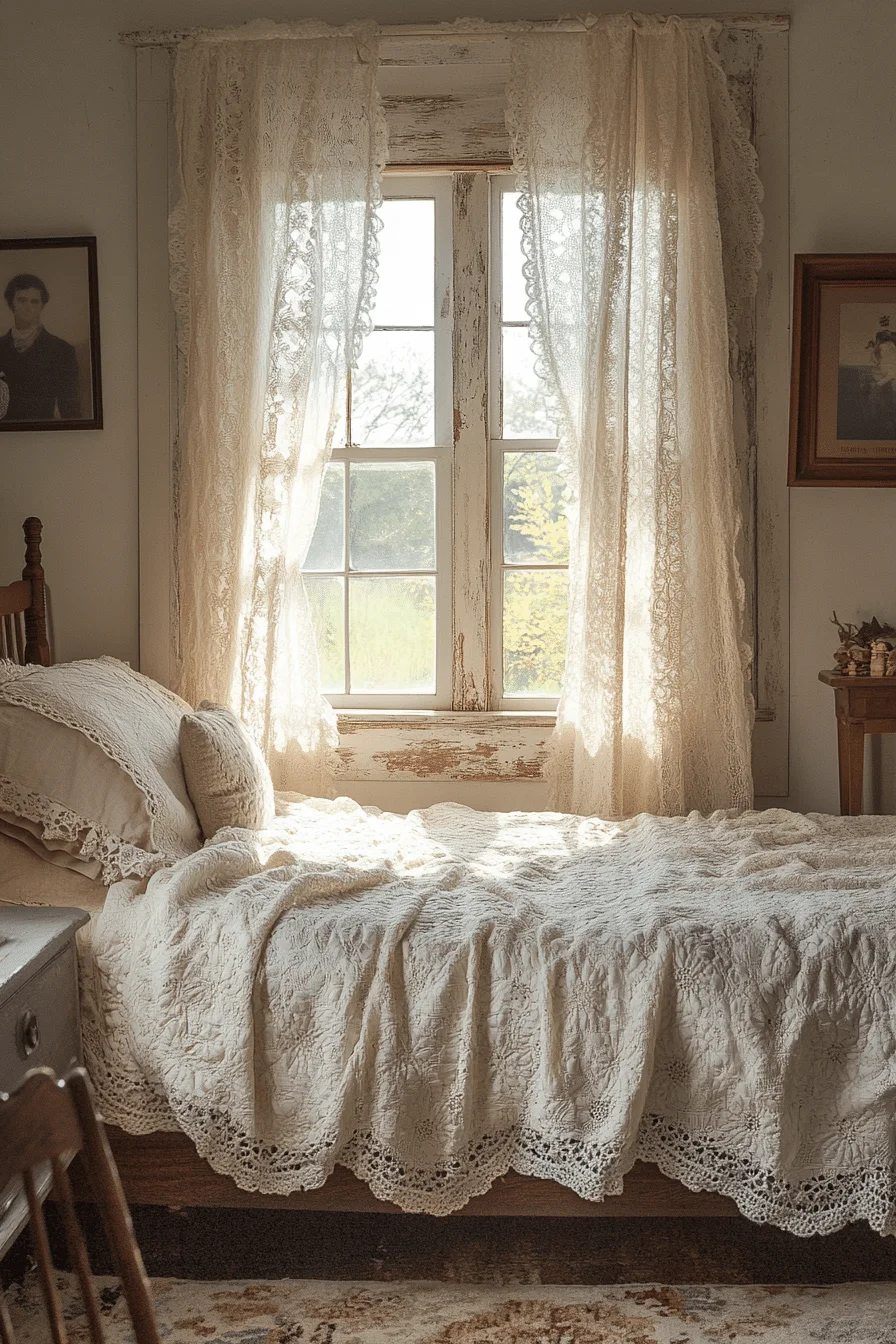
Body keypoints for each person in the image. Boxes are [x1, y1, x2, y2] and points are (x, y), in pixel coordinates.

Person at [0, 273, 81, 421]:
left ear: (42, 305)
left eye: (34, 301)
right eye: (22, 300)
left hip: (43, 436)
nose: (28, 307)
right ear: (11, 304)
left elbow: (71, 410)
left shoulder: (61, 350)